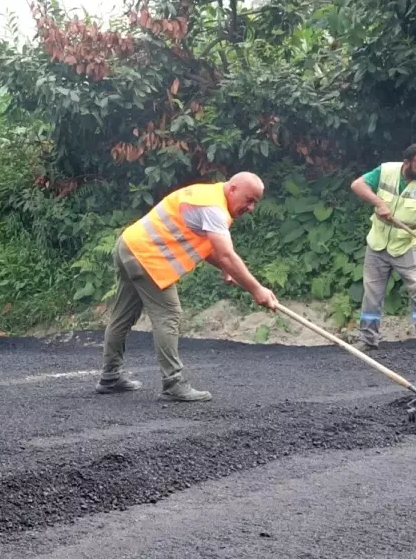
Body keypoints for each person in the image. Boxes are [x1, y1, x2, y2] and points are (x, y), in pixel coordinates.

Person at [96, 172, 281, 402]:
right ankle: (173, 383)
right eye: (249, 199)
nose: (251, 207)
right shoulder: (214, 208)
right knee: (169, 315)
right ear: (233, 189)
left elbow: (211, 248)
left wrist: (224, 267)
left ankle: (110, 377)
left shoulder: (208, 195)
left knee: (122, 315)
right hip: (147, 257)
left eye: (255, 202)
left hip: (128, 246)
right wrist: (257, 289)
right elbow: (226, 255)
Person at [349, 143, 416, 351]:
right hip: (378, 244)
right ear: (407, 162)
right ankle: (368, 339)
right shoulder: (386, 171)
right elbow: (357, 185)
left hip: (407, 246)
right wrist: (378, 202)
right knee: (372, 294)